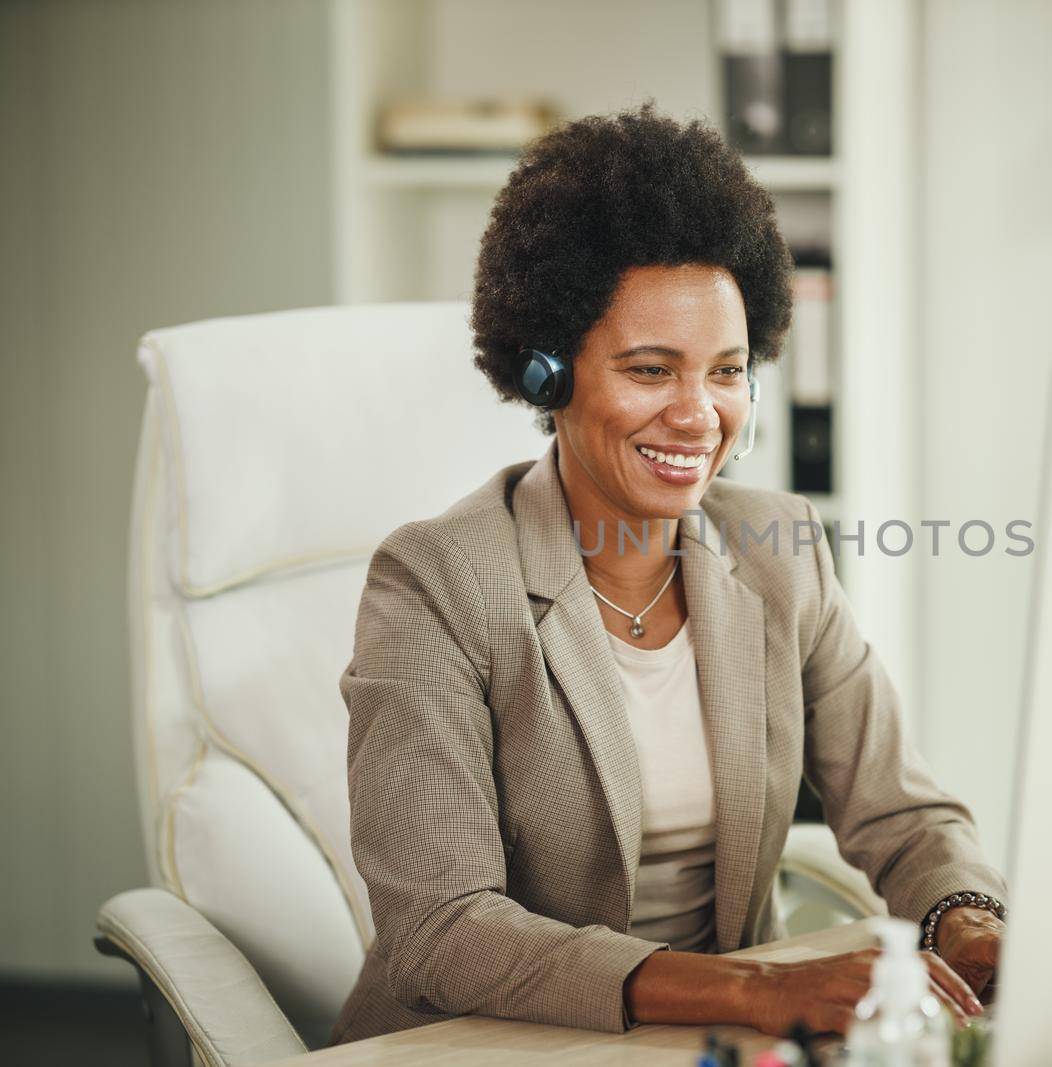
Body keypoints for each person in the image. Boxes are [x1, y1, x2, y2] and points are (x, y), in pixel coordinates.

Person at [331, 103, 1007, 1044]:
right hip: (488, 1044)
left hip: (713, 1049)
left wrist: (968, 918)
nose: (699, 416)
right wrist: (754, 993)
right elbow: (441, 929)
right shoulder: (437, 581)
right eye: (652, 370)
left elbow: (902, 812)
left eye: (727, 371)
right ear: (546, 375)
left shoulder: (780, 548)